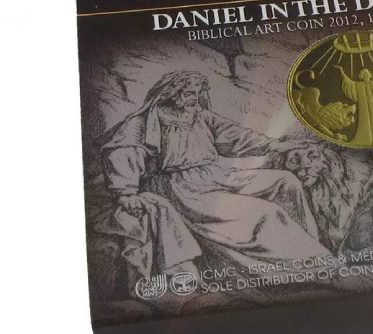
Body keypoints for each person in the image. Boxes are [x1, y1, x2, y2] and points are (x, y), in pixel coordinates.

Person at [100, 71, 331, 275]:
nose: (195, 97)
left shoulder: (199, 115)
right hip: (183, 188)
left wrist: (274, 145)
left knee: (286, 181)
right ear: (171, 94)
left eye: (197, 92)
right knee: (266, 213)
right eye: (189, 93)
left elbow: (236, 136)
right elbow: (122, 150)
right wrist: (125, 192)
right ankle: (306, 265)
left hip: (216, 174)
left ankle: (311, 247)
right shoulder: (146, 121)